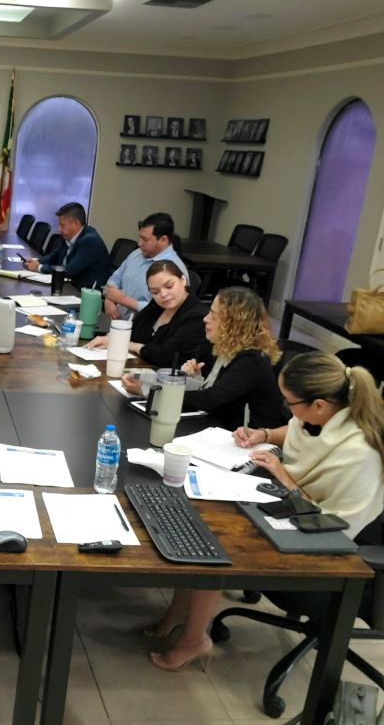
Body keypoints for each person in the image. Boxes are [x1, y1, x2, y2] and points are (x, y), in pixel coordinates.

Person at [144, 352, 384, 673]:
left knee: (217, 546)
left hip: (336, 554)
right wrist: (265, 435)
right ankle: (179, 613)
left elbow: (331, 521)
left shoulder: (358, 452)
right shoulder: (325, 416)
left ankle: (194, 640)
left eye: (289, 402)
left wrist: (281, 472)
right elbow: (295, 427)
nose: (287, 408)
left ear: (320, 405)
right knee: (204, 516)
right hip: (294, 511)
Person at [121, 286, 285, 430]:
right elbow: (215, 392)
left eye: (214, 315)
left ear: (233, 324)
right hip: (221, 427)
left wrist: (148, 391)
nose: (206, 319)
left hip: (246, 442)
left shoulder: (251, 360)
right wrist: (197, 379)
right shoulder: (230, 348)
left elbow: (210, 399)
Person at [87, 260, 206, 367]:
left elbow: (165, 356)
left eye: (169, 286)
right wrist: (111, 339)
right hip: (135, 367)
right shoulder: (157, 304)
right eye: (155, 292)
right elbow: (134, 331)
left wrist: (131, 346)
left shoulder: (198, 317)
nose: (163, 294)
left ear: (183, 280)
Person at [104, 212, 187, 320]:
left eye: (145, 240)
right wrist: (109, 300)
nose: (139, 243)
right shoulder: (137, 254)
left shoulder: (174, 269)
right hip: (117, 321)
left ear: (163, 240)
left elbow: (163, 310)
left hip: (144, 329)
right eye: (140, 238)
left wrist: (122, 299)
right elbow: (114, 280)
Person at [23, 202, 111, 290]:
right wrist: (38, 261)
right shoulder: (70, 235)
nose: (59, 229)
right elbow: (54, 256)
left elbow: (68, 270)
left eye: (62, 225)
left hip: (83, 292)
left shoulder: (90, 241)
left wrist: (39, 267)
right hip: (68, 285)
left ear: (76, 223)